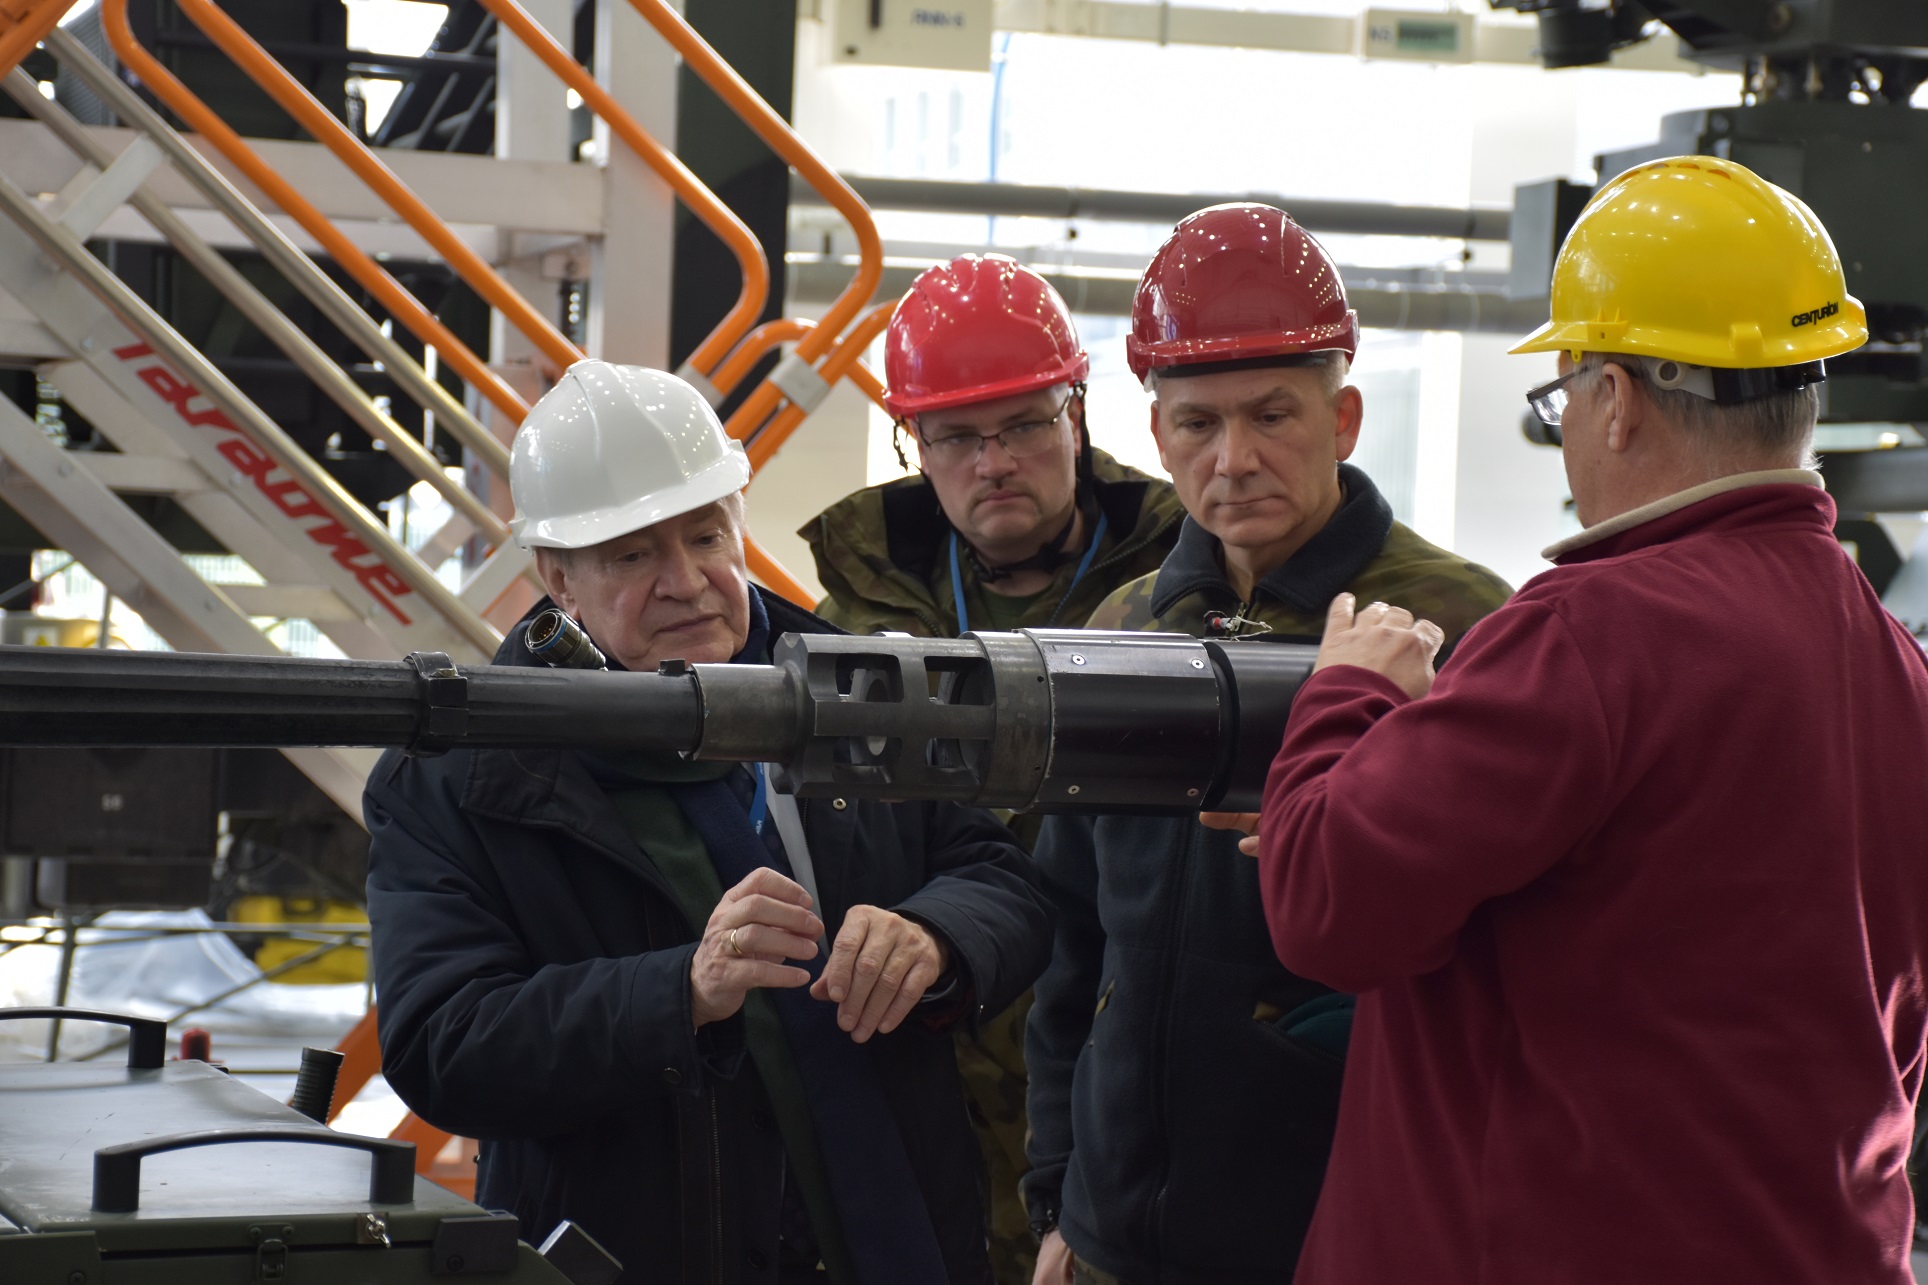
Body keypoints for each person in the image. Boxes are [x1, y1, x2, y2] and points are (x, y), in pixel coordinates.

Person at [1239, 156, 1928, 1283]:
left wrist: (1347, 698)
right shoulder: (1892, 659)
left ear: (1614, 399)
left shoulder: (1588, 634)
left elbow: (1326, 907)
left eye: (1561, 399)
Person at [365, 360, 1054, 1285]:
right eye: (632, 555)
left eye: (705, 535)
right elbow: (443, 1044)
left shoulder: (864, 693)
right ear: (558, 577)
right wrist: (680, 990)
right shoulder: (461, 774)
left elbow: (1004, 880)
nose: (686, 582)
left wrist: (937, 934)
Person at [1022, 203, 1512, 1285]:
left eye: (1272, 415)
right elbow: (1068, 939)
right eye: (1197, 423)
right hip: (1111, 1239)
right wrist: (1055, 1197)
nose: (1232, 459)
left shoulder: (1471, 628)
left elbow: (1508, 963)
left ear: (1343, 418)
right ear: (1157, 436)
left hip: (1347, 1239)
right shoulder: (1119, 632)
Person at [801, 254, 1184, 1284]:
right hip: (920, 1071)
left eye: (1023, 424)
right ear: (913, 445)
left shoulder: (1184, 593)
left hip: (1122, 1082)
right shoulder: (855, 618)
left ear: (1076, 414)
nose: (994, 461)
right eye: (957, 437)